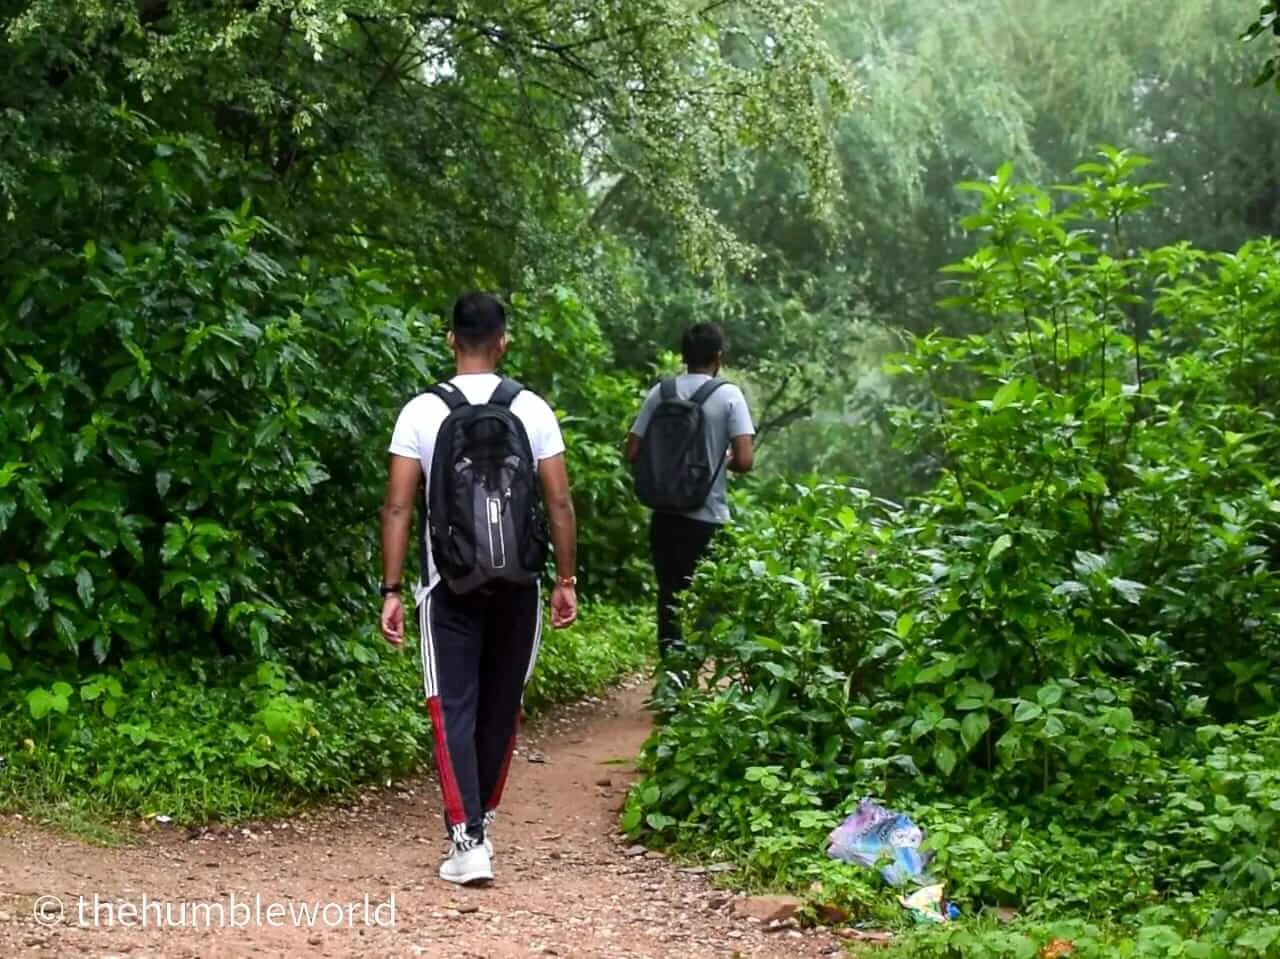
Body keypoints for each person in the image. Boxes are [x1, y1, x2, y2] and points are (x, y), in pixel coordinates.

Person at [379, 291, 578, 887]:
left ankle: (467, 842)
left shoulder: (421, 411)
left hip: (448, 585)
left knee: (452, 706)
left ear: (449, 340)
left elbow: (398, 506)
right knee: (499, 708)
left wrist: (391, 588)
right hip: (521, 582)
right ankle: (481, 825)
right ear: (503, 342)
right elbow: (559, 502)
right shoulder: (533, 409)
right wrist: (565, 580)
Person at [626, 322, 754, 658]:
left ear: (684, 356)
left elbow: (633, 452)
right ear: (718, 358)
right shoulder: (729, 396)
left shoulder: (661, 393)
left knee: (669, 595)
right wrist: (721, 460)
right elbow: (745, 459)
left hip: (665, 516)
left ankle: (673, 676)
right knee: (709, 600)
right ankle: (702, 682)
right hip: (708, 516)